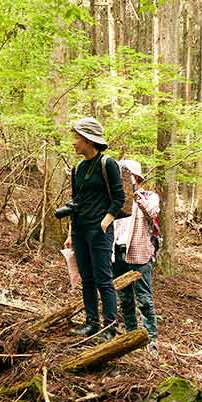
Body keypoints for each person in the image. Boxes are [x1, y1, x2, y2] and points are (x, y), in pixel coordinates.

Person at [64, 117, 124, 342]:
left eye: (77, 138)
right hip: (80, 230)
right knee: (87, 278)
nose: (74, 142)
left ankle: (110, 327)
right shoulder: (78, 168)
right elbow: (75, 202)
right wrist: (71, 233)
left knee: (103, 279)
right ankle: (91, 323)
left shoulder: (108, 164)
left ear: (89, 140)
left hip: (100, 230)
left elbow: (119, 197)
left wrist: (105, 221)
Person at [112, 159, 158, 349]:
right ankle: (131, 338)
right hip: (117, 253)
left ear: (137, 178)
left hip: (139, 254)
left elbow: (152, 213)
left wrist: (135, 194)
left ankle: (151, 341)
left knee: (144, 299)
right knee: (125, 299)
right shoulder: (115, 198)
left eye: (126, 175)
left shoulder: (149, 197)